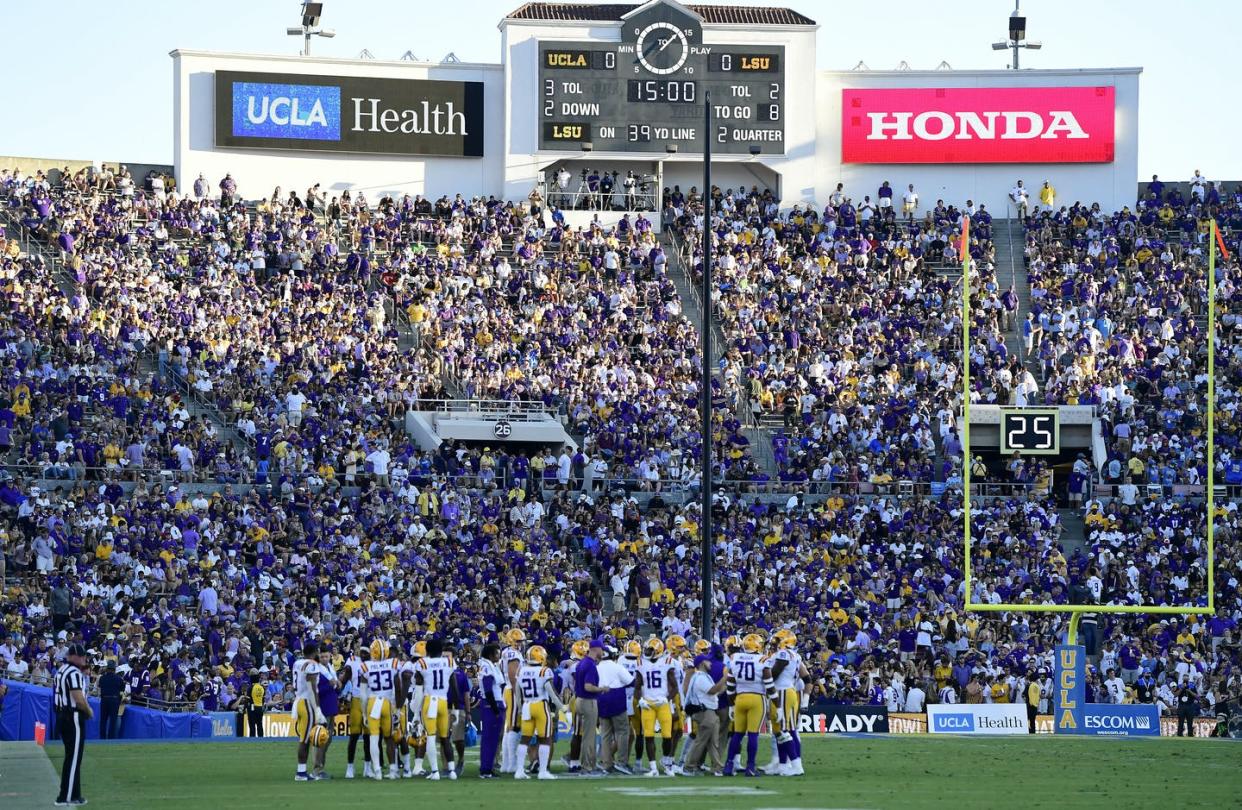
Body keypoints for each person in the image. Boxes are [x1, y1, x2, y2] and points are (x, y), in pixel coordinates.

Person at [411, 638, 457, 780]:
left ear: (427, 650)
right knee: (445, 738)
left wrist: (416, 714)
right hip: (443, 700)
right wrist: (455, 707)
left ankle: (435, 771)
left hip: (430, 701)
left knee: (430, 736)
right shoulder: (449, 662)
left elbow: (418, 692)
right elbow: (454, 686)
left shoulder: (422, 663)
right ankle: (452, 771)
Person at [722, 633, 767, 777]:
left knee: (737, 734)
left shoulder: (736, 658)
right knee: (753, 734)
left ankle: (729, 766)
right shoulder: (762, 659)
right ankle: (750, 767)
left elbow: (730, 683)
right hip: (757, 698)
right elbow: (770, 684)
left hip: (740, 698)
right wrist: (777, 705)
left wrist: (731, 704)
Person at [514, 645, 561, 780]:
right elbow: (552, 693)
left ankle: (519, 770)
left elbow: (518, 693)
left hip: (527, 706)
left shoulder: (522, 671)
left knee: (525, 739)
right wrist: (562, 707)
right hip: (540, 706)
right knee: (545, 739)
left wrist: (520, 709)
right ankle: (543, 771)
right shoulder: (544, 671)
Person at [54, 643, 92, 806]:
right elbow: (78, 697)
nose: (84, 659)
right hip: (73, 716)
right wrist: (89, 711)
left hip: (63, 714)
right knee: (74, 758)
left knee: (73, 757)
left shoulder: (62, 669)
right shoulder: (74, 673)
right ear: (74, 657)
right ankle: (66, 796)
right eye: (82, 656)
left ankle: (75, 794)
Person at [680, 653, 725, 775]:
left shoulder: (703, 676)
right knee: (701, 740)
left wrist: (724, 685)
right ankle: (689, 766)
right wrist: (725, 678)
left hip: (709, 711)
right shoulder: (700, 677)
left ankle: (717, 767)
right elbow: (712, 690)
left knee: (712, 742)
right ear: (702, 663)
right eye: (708, 661)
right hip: (705, 711)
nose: (710, 663)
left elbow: (716, 692)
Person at [569, 639, 606, 774]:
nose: (603, 652)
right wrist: (602, 688)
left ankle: (584, 763)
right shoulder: (590, 665)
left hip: (579, 700)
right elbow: (588, 686)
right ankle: (587, 766)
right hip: (588, 701)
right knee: (589, 737)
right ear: (596, 649)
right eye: (601, 649)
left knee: (583, 735)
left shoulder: (582, 663)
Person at [293, 641, 326, 782]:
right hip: (307, 703)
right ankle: (301, 773)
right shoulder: (311, 665)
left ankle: (302, 771)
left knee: (304, 739)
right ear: (314, 652)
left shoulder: (297, 663)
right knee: (305, 740)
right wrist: (317, 709)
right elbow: (312, 689)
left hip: (298, 701)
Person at [477, 644, 505, 778]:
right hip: (491, 705)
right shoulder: (487, 666)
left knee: (493, 739)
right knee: (489, 738)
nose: (498, 656)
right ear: (490, 655)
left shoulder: (492, 665)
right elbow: (488, 690)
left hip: (496, 703)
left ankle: (488, 767)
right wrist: (496, 710)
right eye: (497, 653)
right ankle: (486, 769)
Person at [97, 660, 124, 740]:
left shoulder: (102, 678)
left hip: (104, 700)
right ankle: (110, 739)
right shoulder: (119, 679)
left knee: (103, 720)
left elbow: (100, 687)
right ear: (114, 669)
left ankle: (102, 738)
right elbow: (122, 690)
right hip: (114, 700)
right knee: (113, 721)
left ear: (107, 668)